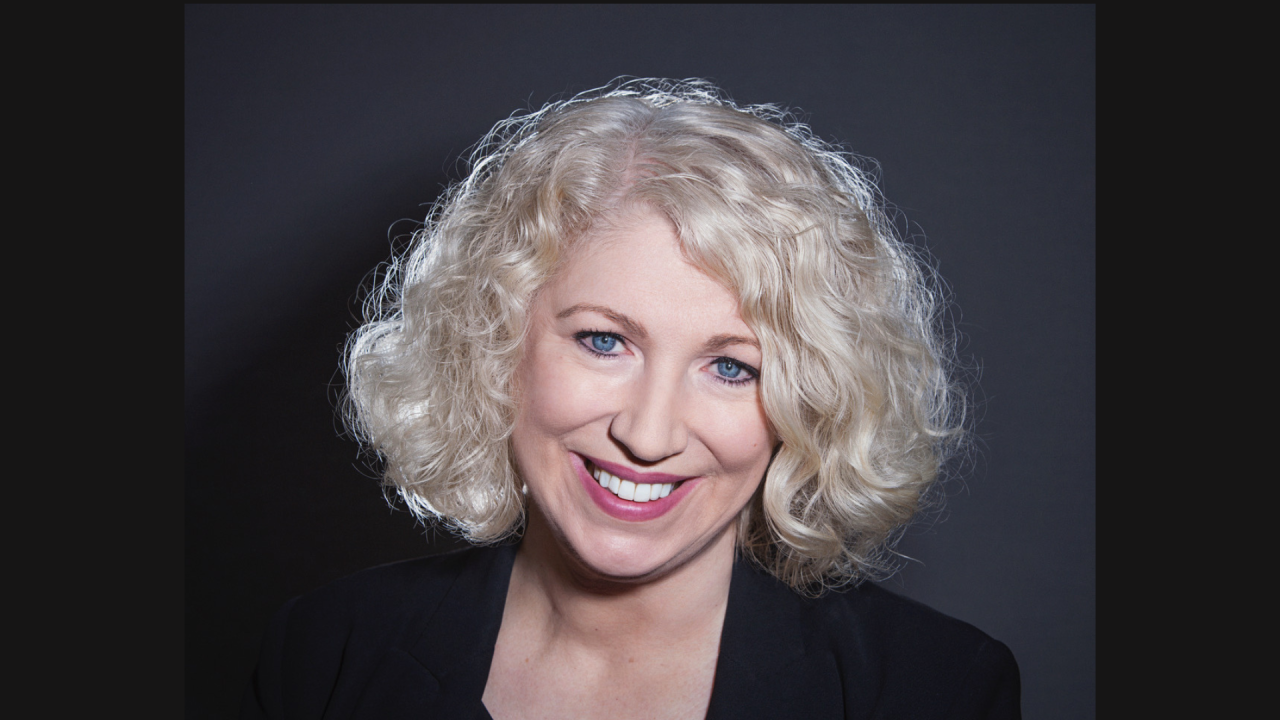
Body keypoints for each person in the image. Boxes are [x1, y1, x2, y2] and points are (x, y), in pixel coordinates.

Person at [242, 78, 1020, 719]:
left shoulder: (936, 690)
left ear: (811, 401)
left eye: (732, 368)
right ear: (493, 344)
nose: (648, 436)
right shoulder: (326, 654)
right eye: (603, 342)